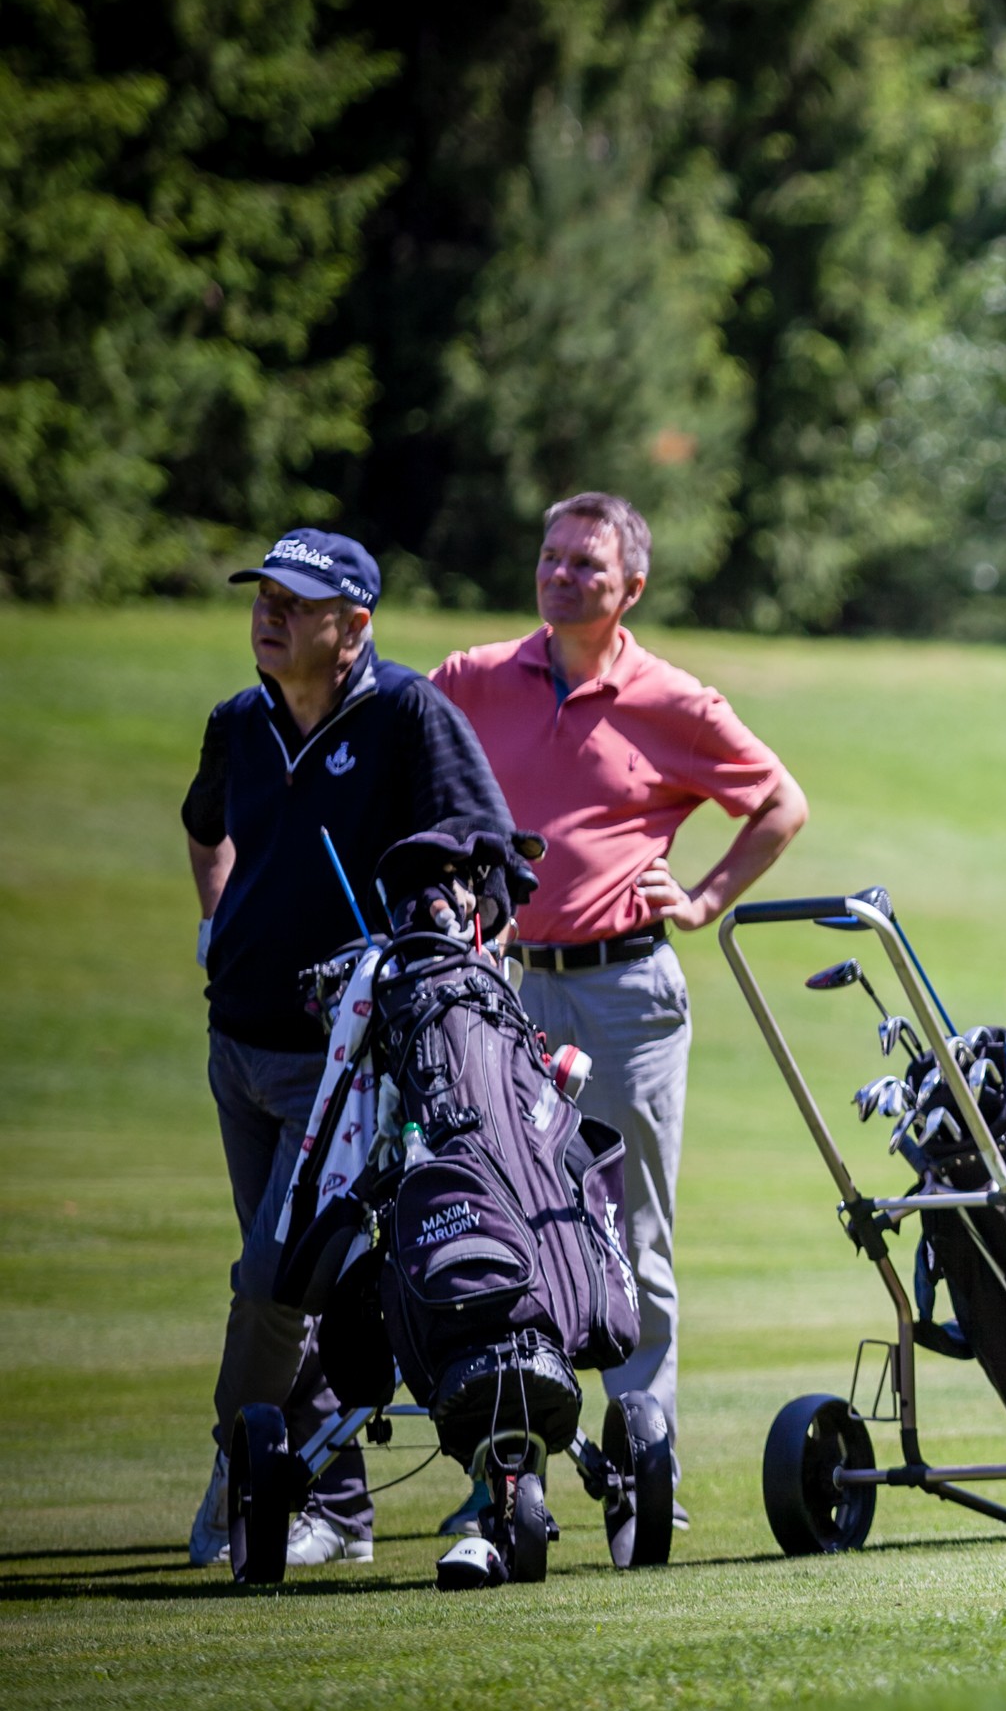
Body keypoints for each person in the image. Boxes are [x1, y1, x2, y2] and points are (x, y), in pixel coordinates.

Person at [430, 492, 808, 1539]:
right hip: (505, 993)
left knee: (631, 1233)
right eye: (551, 558)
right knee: (508, 1227)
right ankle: (508, 1470)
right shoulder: (470, 679)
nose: (561, 577)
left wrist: (705, 898)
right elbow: (411, 772)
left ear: (630, 587)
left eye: (587, 566)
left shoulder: (672, 701)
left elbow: (780, 801)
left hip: (625, 995)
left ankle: (645, 1477)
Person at [184, 529, 516, 1567]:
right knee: (287, 1282)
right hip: (237, 1042)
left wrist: (447, 948)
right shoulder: (240, 722)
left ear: (355, 625)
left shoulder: (408, 713)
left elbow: (491, 858)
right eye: (263, 595)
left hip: (348, 1056)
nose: (268, 613)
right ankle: (333, 1509)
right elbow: (206, 828)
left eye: (297, 601)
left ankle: (240, 1483)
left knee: (275, 1281)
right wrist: (216, 922)